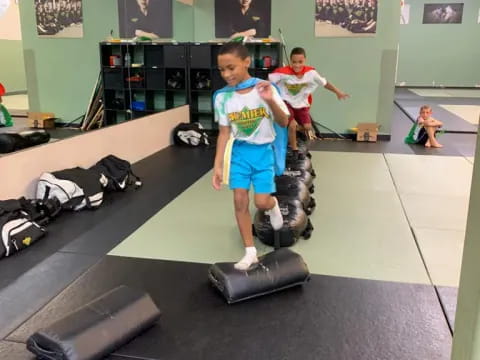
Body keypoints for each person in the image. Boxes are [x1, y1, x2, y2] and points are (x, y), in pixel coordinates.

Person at [212, 42, 289, 271]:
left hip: (264, 153)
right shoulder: (222, 98)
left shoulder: (264, 89)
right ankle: (250, 251)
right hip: (239, 153)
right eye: (222, 70)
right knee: (239, 200)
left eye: (231, 67)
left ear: (246, 62)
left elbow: (284, 121)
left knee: (261, 202)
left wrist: (270, 100)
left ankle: (273, 206)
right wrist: (217, 166)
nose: (226, 74)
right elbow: (224, 133)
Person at [268, 47, 349, 153]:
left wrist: (338, 92)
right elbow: (267, 82)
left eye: (300, 62)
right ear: (290, 61)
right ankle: (294, 150)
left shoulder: (311, 73)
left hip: (301, 104)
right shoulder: (282, 73)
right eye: (294, 62)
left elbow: (325, 83)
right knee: (292, 125)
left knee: (308, 127)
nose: (297, 65)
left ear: (305, 60)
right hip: (286, 103)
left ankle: (294, 135)